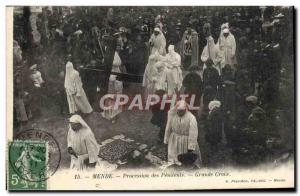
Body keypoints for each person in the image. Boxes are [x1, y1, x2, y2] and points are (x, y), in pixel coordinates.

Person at [164, 100, 202, 168]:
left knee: (187, 159)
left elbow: (193, 132)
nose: (180, 112)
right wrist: (166, 140)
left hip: (186, 140)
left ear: (185, 109)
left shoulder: (191, 117)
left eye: (182, 110)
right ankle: (174, 165)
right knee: (174, 159)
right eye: (179, 110)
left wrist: (191, 146)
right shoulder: (172, 115)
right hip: (174, 139)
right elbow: (168, 128)